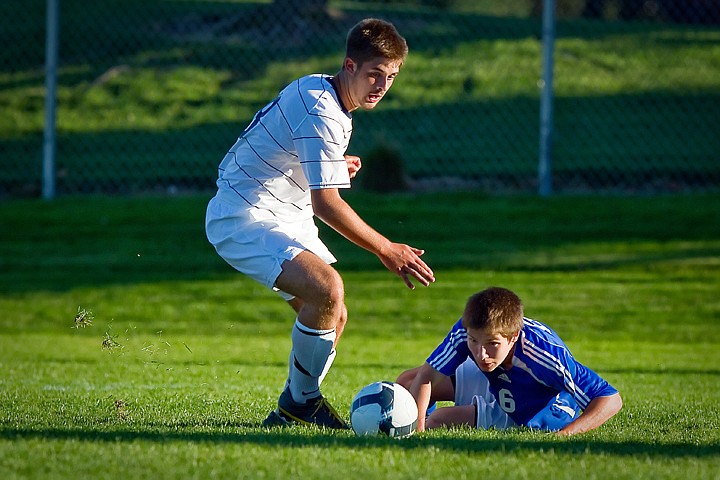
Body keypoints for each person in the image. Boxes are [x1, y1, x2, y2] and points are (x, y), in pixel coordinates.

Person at [205, 18, 435, 430]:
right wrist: (387, 248)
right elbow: (327, 204)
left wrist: (329, 166)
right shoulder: (323, 109)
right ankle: (301, 403)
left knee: (333, 313)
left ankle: (294, 407)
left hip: (282, 211)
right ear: (350, 66)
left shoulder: (322, 91)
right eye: (374, 75)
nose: (382, 86)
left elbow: (283, 147)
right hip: (244, 214)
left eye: (391, 77)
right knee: (327, 288)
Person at [398, 287, 622, 435]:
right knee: (408, 382)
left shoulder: (544, 355)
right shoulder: (469, 330)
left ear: (513, 336)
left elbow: (610, 399)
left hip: (539, 408)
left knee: (440, 418)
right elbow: (427, 377)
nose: (481, 353)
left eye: (492, 344)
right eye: (473, 341)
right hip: (499, 377)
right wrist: (417, 434)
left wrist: (564, 436)